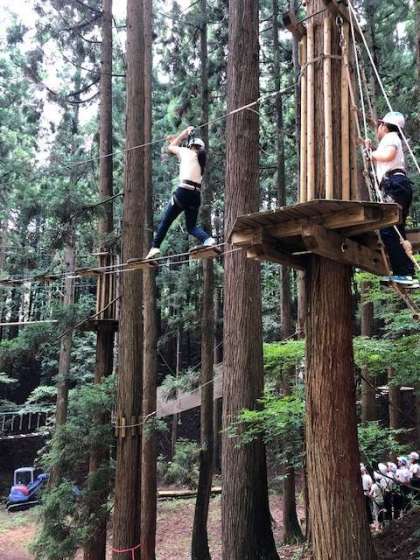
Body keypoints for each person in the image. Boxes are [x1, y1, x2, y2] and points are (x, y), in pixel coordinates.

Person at [145, 126, 216, 260]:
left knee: (166, 221)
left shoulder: (185, 152)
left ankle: (155, 246)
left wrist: (184, 133)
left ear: (190, 146)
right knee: (191, 227)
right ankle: (208, 240)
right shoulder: (201, 161)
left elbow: (171, 147)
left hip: (183, 192)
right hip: (195, 195)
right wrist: (178, 138)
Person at [364, 111, 418, 287]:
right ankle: (406, 273)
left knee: (388, 229)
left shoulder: (390, 138)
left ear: (384, 126)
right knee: (396, 230)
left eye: (379, 125)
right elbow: (385, 158)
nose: (377, 129)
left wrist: (372, 154)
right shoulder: (393, 139)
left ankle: (404, 273)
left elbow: (388, 156)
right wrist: (372, 150)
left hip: (394, 185)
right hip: (399, 185)